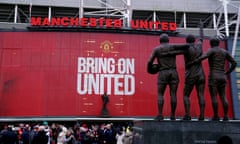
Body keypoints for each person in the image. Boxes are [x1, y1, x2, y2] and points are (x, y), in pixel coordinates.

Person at [189, 37, 237, 121]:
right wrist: (227, 72)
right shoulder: (224, 52)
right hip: (222, 76)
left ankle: (216, 116)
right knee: (223, 97)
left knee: (214, 97)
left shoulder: (211, 50)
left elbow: (203, 57)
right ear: (218, 43)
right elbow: (234, 63)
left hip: (213, 76)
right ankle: (226, 116)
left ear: (211, 44)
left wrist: (193, 62)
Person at [147, 33, 189, 120]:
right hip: (173, 72)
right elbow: (186, 46)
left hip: (163, 72)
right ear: (168, 40)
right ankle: (172, 115)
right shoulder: (172, 46)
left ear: (160, 41)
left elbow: (149, 61)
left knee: (160, 94)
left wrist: (149, 70)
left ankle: (160, 114)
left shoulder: (157, 49)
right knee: (173, 94)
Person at [171, 21, 206, 120]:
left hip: (191, 74)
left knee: (186, 95)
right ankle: (202, 115)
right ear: (194, 40)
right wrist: (201, 28)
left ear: (186, 41)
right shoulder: (199, 45)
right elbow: (201, 38)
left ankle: (187, 114)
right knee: (201, 95)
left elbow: (174, 50)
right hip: (201, 74)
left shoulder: (186, 48)